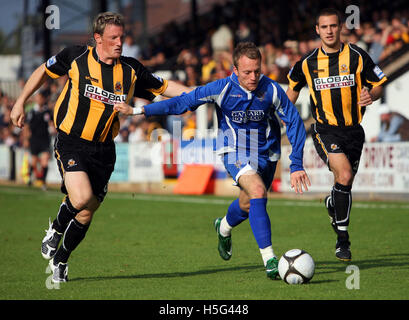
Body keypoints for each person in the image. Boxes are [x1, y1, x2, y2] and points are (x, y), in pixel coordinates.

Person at [10, 12, 191, 283]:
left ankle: (61, 260)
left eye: (122, 37)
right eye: (113, 38)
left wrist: (200, 92)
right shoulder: (75, 56)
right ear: (98, 39)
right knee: (80, 197)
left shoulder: (130, 70)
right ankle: (56, 229)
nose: (120, 42)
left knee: (86, 210)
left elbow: (164, 87)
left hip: (104, 149)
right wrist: (20, 100)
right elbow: (43, 72)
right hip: (71, 140)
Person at [114, 42, 311, 280]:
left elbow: (294, 122)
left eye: (257, 71)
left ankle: (224, 226)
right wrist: (138, 111)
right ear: (234, 70)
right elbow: (182, 102)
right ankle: (269, 259)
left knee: (249, 203)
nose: (253, 77)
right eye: (247, 72)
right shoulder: (221, 88)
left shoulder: (271, 90)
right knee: (258, 192)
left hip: (266, 154)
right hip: (234, 150)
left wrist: (297, 163)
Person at [286, 8, 387, 261]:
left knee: (344, 183)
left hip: (354, 131)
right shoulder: (307, 63)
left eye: (333, 26)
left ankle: (333, 204)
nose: (329, 31)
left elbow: (378, 86)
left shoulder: (357, 56)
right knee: (344, 174)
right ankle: (343, 240)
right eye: (324, 27)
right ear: (317, 30)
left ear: (340, 27)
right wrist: (279, 117)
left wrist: (370, 95)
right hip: (325, 130)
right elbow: (292, 92)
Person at [26, 90, 54, 189]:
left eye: (40, 98)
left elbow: (51, 123)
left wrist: (53, 129)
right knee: (33, 161)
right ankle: (29, 178)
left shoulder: (47, 111)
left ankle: (43, 182)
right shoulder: (32, 111)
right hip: (34, 139)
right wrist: (26, 138)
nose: (38, 100)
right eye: (37, 98)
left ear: (43, 99)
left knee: (45, 160)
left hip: (44, 140)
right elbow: (27, 126)